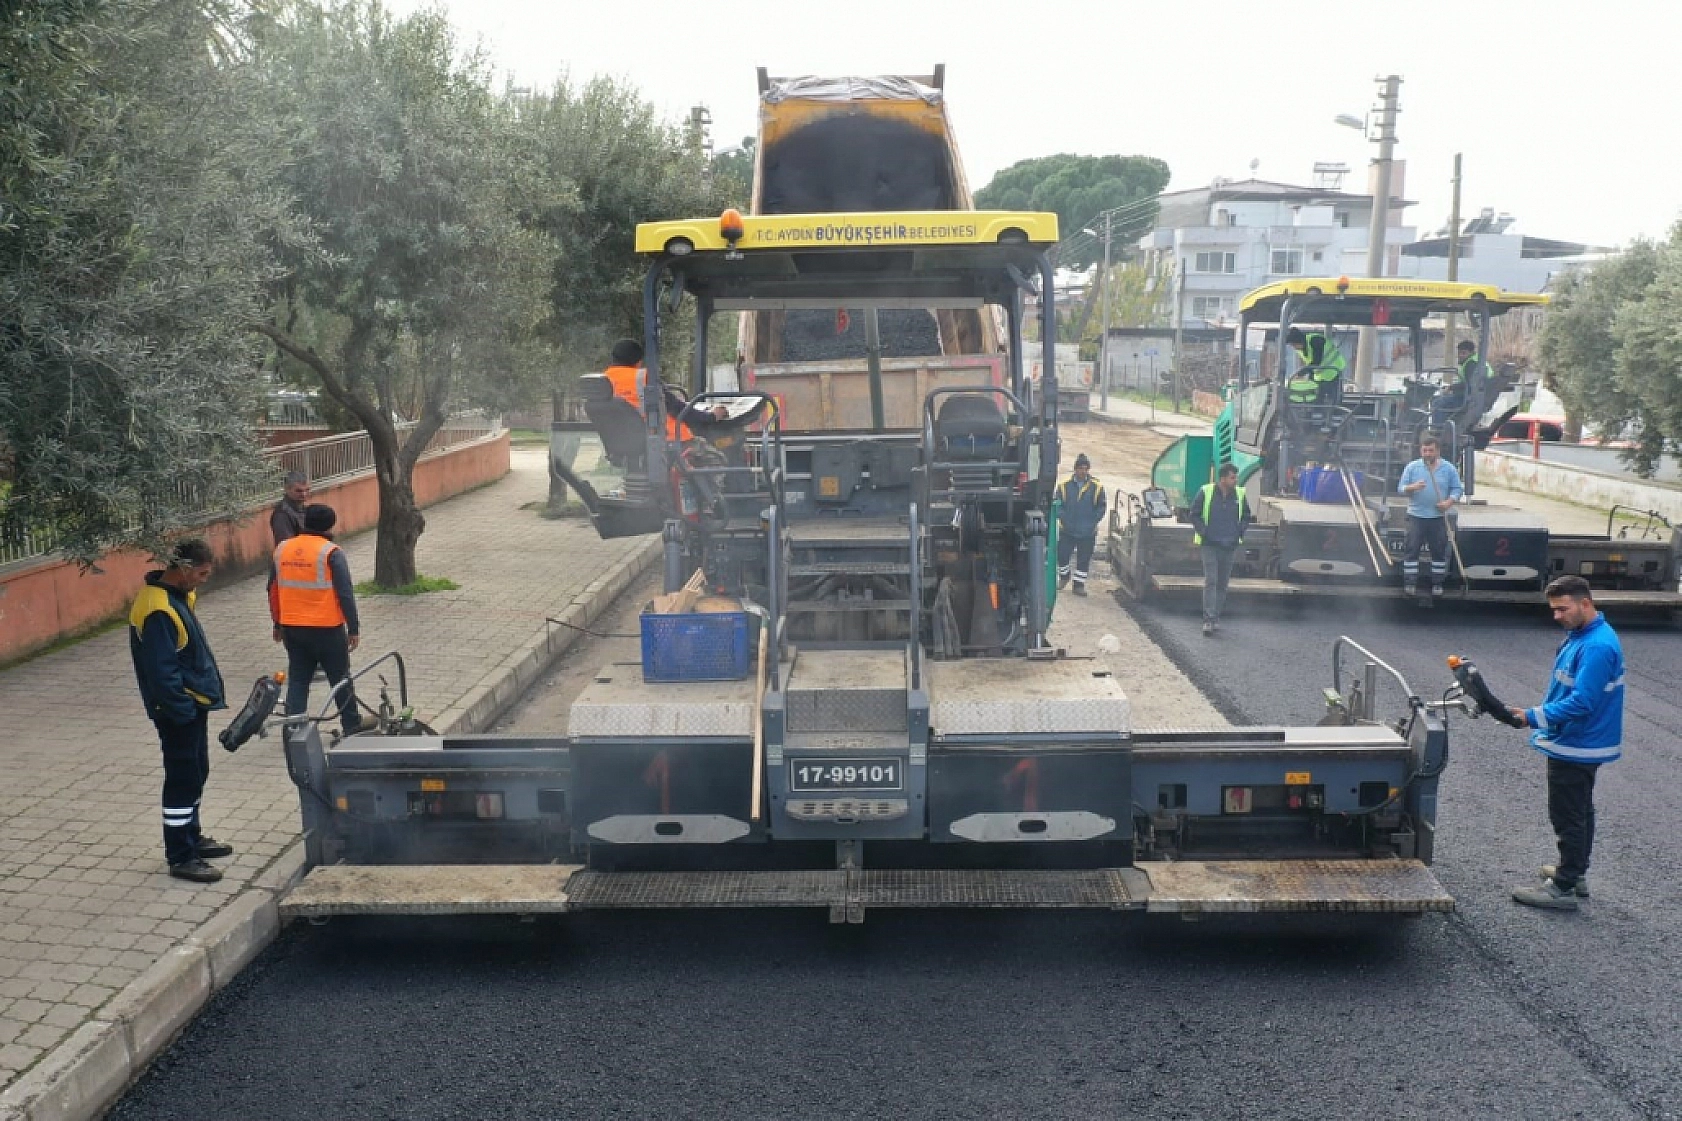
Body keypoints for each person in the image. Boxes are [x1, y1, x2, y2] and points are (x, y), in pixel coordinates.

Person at [1507, 576, 1624, 911]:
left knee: (1568, 815)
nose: (1556, 616)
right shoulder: (1583, 635)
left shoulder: (1597, 646)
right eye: (1553, 609)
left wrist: (1531, 716)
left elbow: (1583, 702)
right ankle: (1575, 871)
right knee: (1580, 810)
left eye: (1562, 608)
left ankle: (1563, 887)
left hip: (1578, 744)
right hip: (1580, 742)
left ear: (1585, 603)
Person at [129, 539, 231, 883]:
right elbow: (162, 670)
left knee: (196, 771)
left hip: (189, 705)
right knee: (182, 779)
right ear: (184, 569)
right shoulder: (158, 608)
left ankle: (193, 836)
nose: (204, 579)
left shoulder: (175, 596)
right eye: (201, 573)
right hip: (177, 710)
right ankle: (181, 856)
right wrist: (182, 708)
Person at [268, 503, 363, 736]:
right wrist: (353, 627)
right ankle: (352, 726)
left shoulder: (282, 549)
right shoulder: (331, 553)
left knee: (299, 680)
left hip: (293, 627)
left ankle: (293, 730)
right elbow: (345, 592)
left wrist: (277, 623)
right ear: (331, 525)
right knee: (340, 679)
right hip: (327, 628)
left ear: (304, 521)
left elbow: (273, 589)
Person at [1189, 463, 1253, 636]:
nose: (1236, 480)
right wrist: (1204, 532)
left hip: (1229, 545)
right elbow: (1194, 514)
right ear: (1223, 478)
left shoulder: (1239, 494)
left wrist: (1239, 530)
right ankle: (1208, 620)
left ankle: (1216, 617)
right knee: (1211, 581)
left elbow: (1247, 515)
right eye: (1233, 477)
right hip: (1210, 544)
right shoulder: (1206, 491)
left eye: (1236, 477)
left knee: (1222, 584)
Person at [1397, 433, 1463, 597]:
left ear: (1437, 451)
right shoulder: (1413, 467)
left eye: (1430, 451)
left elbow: (1457, 489)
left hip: (1437, 518)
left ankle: (1437, 584)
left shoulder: (1448, 469)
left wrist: (1449, 502)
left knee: (1438, 551)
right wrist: (1412, 487)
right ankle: (1410, 583)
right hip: (1416, 516)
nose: (1427, 454)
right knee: (1412, 550)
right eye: (1424, 450)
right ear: (1421, 451)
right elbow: (1401, 488)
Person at [603, 338, 690, 442]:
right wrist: (709, 417)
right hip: (669, 440)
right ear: (639, 361)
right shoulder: (646, 378)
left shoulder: (602, 380)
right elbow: (676, 408)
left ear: (613, 358)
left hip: (621, 443)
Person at [1055, 453, 1106, 597]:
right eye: (1080, 468)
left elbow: (1101, 507)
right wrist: (1064, 519)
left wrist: (1092, 522)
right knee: (1062, 556)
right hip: (1067, 530)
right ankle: (1064, 577)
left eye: (1085, 468)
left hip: (1087, 532)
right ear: (1075, 469)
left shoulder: (1097, 487)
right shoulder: (1063, 486)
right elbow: (1058, 505)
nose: (1083, 471)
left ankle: (1078, 585)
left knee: (1084, 559)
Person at [1431, 340, 1492, 429]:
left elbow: (1470, 384)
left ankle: (1438, 430)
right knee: (1445, 399)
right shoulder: (1479, 361)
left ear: (1471, 353)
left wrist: (1451, 388)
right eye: (1459, 353)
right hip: (1476, 397)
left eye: (1464, 353)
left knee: (1438, 402)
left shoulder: (1471, 364)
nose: (1460, 356)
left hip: (1469, 399)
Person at [1284, 327, 1347, 407]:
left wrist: (1300, 374)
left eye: (1293, 344)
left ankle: (1334, 412)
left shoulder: (1315, 340)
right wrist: (1309, 377)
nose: (1293, 347)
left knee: (1333, 398)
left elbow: (1316, 361)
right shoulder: (1301, 349)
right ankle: (1319, 413)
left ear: (1299, 341)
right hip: (1321, 374)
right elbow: (1311, 365)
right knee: (1317, 398)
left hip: (1334, 370)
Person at [270, 471, 310, 545]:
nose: (304, 494)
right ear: (287, 489)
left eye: (307, 490)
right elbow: (286, 545)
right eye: (299, 491)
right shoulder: (282, 515)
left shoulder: (301, 508)